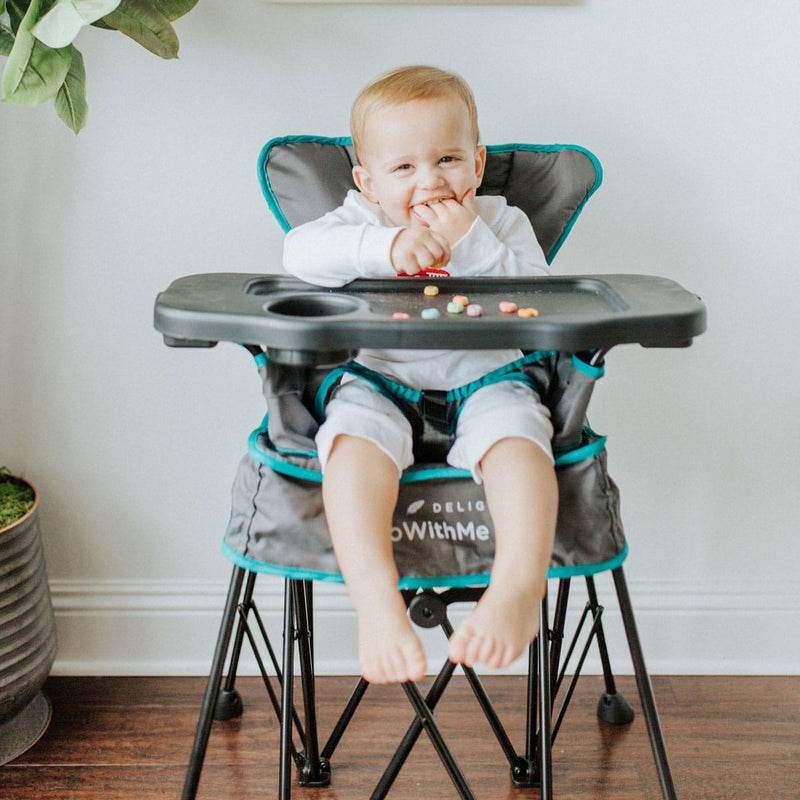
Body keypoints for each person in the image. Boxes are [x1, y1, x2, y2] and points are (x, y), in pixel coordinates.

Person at [283, 65, 558, 684]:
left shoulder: (500, 222)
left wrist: (475, 241)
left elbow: (544, 296)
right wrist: (383, 249)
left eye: (449, 159)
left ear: (479, 164)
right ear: (368, 181)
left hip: (489, 378)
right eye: (403, 168)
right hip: (381, 379)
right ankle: (376, 601)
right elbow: (297, 256)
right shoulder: (360, 223)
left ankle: (516, 589)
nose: (430, 180)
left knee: (520, 441)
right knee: (350, 444)